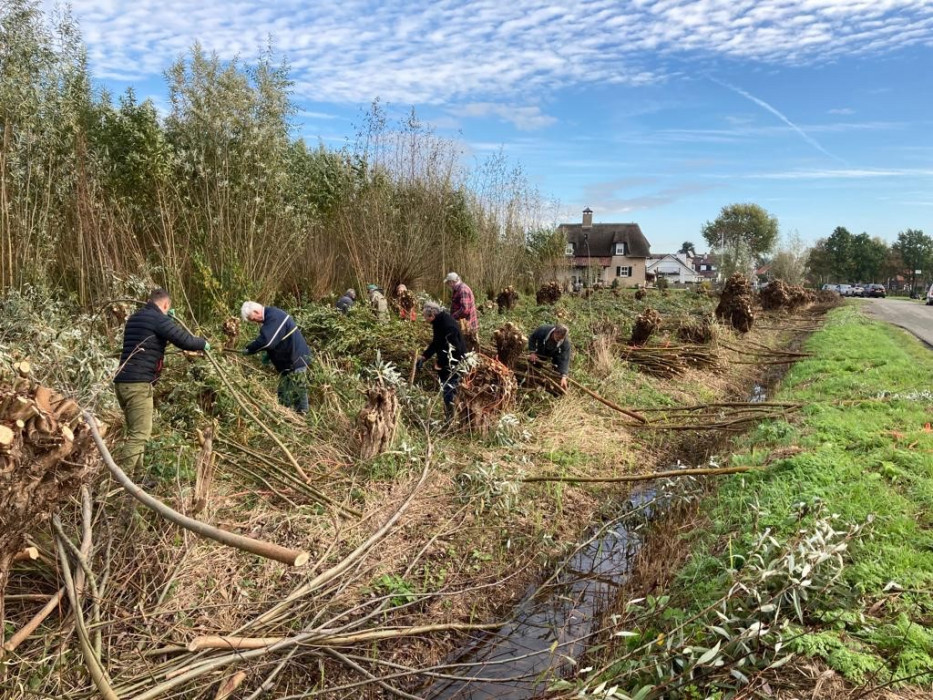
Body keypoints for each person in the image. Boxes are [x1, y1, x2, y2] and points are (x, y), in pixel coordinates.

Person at [114, 288, 209, 476]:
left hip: (122, 382)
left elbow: (152, 336)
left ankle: (138, 477)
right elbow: (185, 341)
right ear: (166, 305)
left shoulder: (135, 317)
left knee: (135, 432)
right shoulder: (158, 319)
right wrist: (202, 343)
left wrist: (168, 320)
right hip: (138, 384)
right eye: (167, 309)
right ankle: (119, 482)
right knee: (140, 434)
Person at [240, 301, 312, 413]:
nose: (254, 322)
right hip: (289, 363)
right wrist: (268, 355)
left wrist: (250, 349)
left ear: (256, 311)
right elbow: (276, 339)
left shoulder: (274, 316)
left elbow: (267, 341)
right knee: (283, 394)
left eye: (253, 319)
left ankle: (304, 418)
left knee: (299, 391)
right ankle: (286, 416)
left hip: (296, 359)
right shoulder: (271, 316)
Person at [417, 301, 467, 423]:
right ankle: (449, 418)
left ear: (432, 315)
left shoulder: (448, 325)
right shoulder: (438, 322)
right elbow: (436, 342)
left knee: (449, 390)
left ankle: (451, 420)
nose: (425, 320)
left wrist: (441, 363)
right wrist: (424, 356)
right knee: (447, 390)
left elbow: (455, 350)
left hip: (454, 364)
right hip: (448, 362)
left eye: (425, 317)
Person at [528, 323, 572, 390]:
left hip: (555, 356)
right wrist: (532, 352)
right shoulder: (543, 329)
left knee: (558, 376)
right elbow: (532, 338)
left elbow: (565, 359)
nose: (559, 340)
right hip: (540, 351)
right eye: (558, 338)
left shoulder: (565, 343)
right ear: (555, 332)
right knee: (534, 363)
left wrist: (563, 375)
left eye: (561, 339)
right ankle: (531, 381)